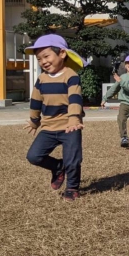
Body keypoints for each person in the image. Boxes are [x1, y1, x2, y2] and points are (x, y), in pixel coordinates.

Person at [23, 34, 86, 202]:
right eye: (39, 59)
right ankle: (58, 167)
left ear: (62, 54)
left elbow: (75, 98)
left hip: (69, 126)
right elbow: (36, 100)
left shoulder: (71, 76)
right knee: (34, 156)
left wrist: (74, 118)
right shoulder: (41, 79)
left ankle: (72, 188)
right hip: (49, 127)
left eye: (46, 56)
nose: (43, 61)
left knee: (72, 160)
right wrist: (34, 120)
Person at [102, 54, 129, 148]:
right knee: (121, 119)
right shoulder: (122, 76)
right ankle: (124, 137)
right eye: (128, 63)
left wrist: (120, 80)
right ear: (125, 65)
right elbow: (114, 89)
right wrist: (105, 98)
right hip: (124, 103)